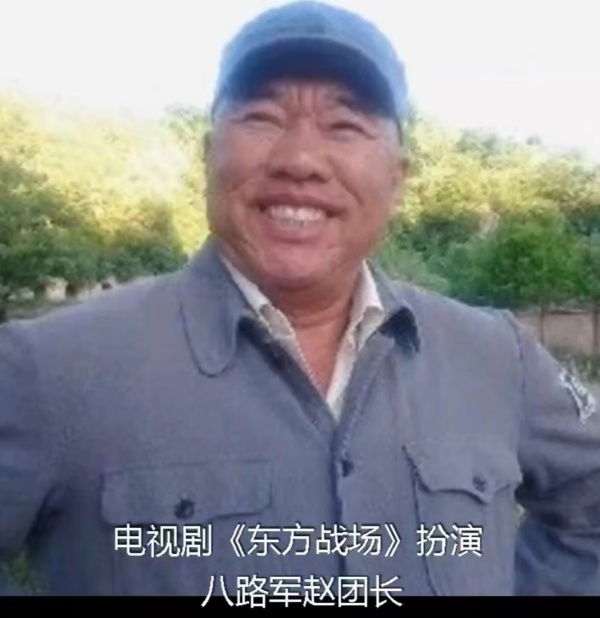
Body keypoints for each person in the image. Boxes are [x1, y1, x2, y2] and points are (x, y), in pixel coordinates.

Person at [1, 0, 600, 599]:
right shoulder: (47, 368)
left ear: (397, 177)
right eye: (262, 117)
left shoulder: (498, 358)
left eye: (345, 125)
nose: (300, 160)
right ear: (208, 153)